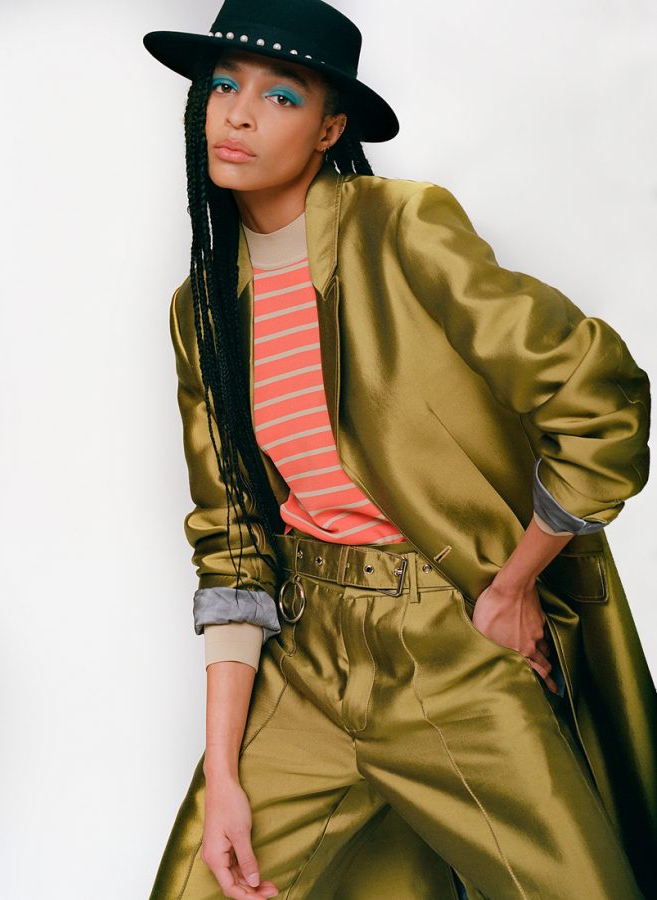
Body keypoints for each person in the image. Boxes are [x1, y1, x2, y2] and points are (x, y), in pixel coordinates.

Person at [143, 1, 655, 898]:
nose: (238, 115)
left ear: (328, 129)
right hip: (304, 659)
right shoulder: (204, 309)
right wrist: (222, 773)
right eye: (222, 86)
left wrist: (512, 586)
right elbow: (230, 543)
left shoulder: (401, 229)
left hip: (449, 646)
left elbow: (600, 402)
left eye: (279, 96)